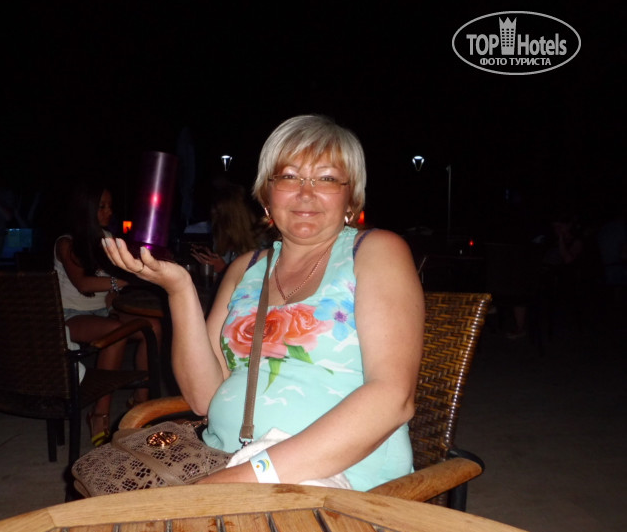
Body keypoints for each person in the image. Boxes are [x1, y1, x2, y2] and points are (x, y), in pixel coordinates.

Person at [103, 115, 424, 491]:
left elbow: (393, 397)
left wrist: (241, 478)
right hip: (224, 461)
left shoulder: (375, 252)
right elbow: (203, 398)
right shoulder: (245, 268)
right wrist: (179, 290)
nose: (306, 193)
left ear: (351, 196)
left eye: (326, 178)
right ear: (267, 193)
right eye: (289, 176)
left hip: (338, 478)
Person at [54, 179, 161, 446]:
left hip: (103, 312)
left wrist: (115, 299)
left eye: (110, 206)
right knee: (116, 332)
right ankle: (99, 413)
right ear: (86, 208)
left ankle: (140, 402)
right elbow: (83, 283)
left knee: (152, 327)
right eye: (102, 206)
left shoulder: (108, 239)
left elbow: (112, 289)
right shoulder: (66, 243)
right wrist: (123, 281)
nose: (109, 211)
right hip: (69, 315)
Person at [190, 182, 266, 276]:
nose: (215, 223)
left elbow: (257, 281)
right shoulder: (222, 242)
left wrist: (224, 269)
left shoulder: (261, 245)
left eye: (218, 217)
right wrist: (208, 258)